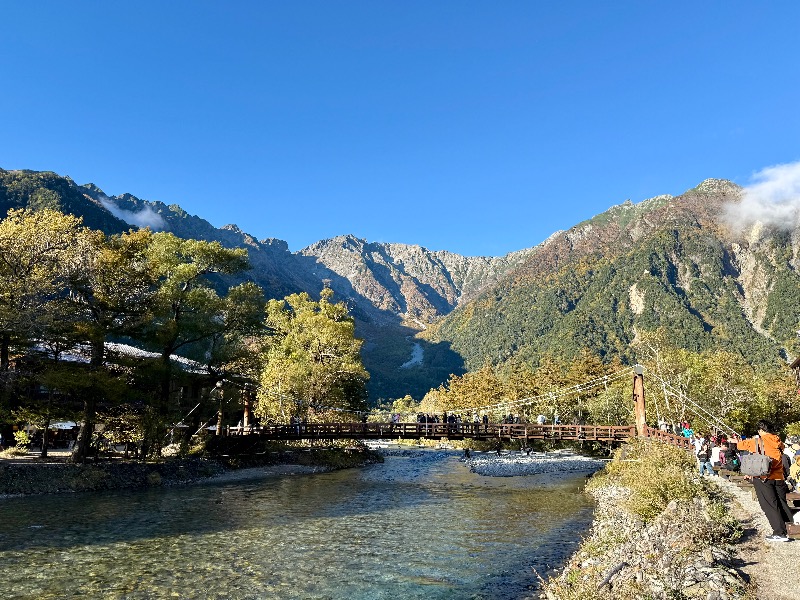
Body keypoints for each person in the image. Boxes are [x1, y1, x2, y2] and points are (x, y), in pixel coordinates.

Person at [732, 420, 793, 542]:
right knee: (781, 503)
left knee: (769, 505)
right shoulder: (778, 440)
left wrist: (736, 441)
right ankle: (791, 528)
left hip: (763, 477)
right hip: (779, 477)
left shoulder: (756, 441)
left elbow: (740, 446)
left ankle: (779, 533)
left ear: (760, 430)